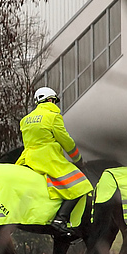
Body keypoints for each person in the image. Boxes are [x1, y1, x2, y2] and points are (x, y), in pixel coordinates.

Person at [16, 87, 93, 235]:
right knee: (80, 183)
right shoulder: (53, 117)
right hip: (48, 159)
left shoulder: (25, 120)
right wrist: (78, 159)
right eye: (54, 101)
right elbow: (67, 142)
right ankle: (60, 219)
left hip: (27, 159)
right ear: (50, 100)